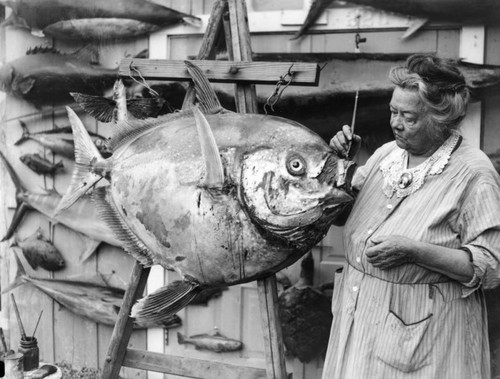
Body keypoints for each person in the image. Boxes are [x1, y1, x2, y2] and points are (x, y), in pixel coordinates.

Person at [322, 53, 500, 379]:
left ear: (439, 118)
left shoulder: (474, 173)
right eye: (393, 111)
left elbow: (490, 268)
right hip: (359, 325)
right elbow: (341, 217)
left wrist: (413, 251)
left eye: (408, 117)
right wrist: (338, 170)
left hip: (426, 344)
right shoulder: (386, 155)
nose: (395, 124)